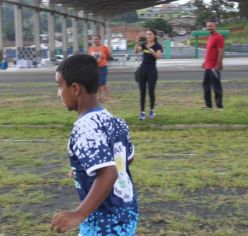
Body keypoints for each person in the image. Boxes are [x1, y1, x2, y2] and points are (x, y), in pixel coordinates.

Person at [51, 54, 139, 235]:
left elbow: (109, 171)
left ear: (75, 89)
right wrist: (83, 167)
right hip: (127, 213)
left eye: (60, 86)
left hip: (104, 223)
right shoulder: (115, 121)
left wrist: (79, 213)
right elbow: (126, 159)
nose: (59, 93)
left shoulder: (84, 127)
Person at [134, 29, 163, 120]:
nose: (148, 36)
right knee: (142, 92)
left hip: (152, 69)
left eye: (150, 34)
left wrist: (152, 51)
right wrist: (137, 42)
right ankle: (142, 112)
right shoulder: (144, 45)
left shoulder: (158, 46)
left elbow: (158, 56)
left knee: (151, 91)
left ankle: (152, 110)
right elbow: (136, 51)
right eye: (147, 34)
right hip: (143, 69)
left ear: (154, 35)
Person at [202, 20, 224, 110]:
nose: (209, 28)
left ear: (215, 26)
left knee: (216, 87)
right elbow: (209, 51)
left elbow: (221, 52)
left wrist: (218, 65)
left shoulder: (219, 37)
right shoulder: (210, 36)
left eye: (211, 26)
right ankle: (208, 105)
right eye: (207, 26)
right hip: (208, 66)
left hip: (214, 67)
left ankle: (219, 106)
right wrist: (204, 62)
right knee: (206, 86)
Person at [88, 35, 112, 101]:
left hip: (103, 67)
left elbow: (108, 56)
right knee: (97, 82)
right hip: (94, 68)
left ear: (100, 40)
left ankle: (108, 96)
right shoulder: (90, 49)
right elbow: (89, 58)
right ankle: (98, 96)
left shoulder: (104, 48)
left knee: (103, 82)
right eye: (94, 39)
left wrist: (104, 60)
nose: (95, 40)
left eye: (97, 39)